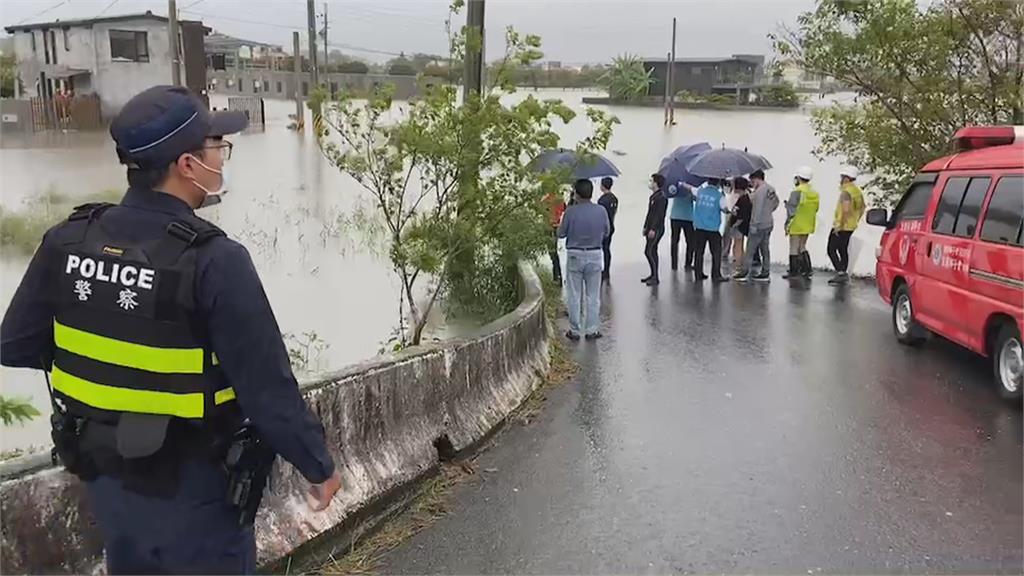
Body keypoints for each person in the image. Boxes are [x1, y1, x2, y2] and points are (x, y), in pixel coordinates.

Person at [0, 86, 342, 574]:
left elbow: (15, 345)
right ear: (187, 165)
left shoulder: (69, 240)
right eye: (216, 149)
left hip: (107, 481)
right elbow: (267, 388)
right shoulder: (214, 260)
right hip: (195, 492)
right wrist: (318, 466)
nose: (221, 160)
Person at [557, 179, 610, 340]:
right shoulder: (601, 210)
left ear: (576, 194)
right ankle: (592, 330)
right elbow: (607, 231)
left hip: (575, 254)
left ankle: (574, 330)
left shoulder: (571, 212)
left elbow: (561, 233)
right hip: (594, 254)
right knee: (593, 295)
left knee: (574, 294)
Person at [736, 169, 779, 282]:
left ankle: (744, 272)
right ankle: (765, 272)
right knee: (765, 249)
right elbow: (776, 203)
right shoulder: (771, 189)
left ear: (756, 179)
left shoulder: (760, 191)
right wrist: (768, 210)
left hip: (759, 224)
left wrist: (754, 224)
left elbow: (757, 209)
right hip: (768, 222)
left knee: (750, 249)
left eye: (752, 180)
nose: (752, 183)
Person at [827, 167, 865, 285]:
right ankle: (843, 272)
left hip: (842, 226)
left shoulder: (846, 192)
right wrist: (856, 219)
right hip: (851, 226)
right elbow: (863, 207)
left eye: (842, 177)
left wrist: (839, 225)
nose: (841, 180)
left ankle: (840, 272)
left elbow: (846, 210)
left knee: (831, 249)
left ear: (847, 178)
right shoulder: (857, 191)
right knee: (843, 248)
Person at [784, 166, 820, 279]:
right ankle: (807, 268)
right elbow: (816, 208)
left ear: (798, 178)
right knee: (802, 246)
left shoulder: (797, 191)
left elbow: (792, 209)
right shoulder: (814, 192)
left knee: (793, 247)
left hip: (796, 223)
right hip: (808, 223)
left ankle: (794, 271)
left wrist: (787, 224)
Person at [692, 178, 730, 282]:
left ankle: (698, 274)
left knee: (699, 252)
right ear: (718, 183)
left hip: (699, 227)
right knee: (716, 253)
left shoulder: (700, 192)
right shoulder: (719, 196)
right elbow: (725, 209)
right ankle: (716, 275)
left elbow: (692, 194)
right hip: (713, 228)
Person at [663, 177, 696, 271]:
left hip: (676, 216)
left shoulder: (674, 185)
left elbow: (668, 193)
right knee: (690, 242)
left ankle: (674, 264)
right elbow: (696, 198)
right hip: (687, 217)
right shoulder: (690, 188)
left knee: (675, 241)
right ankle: (688, 263)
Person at [641, 173, 669, 286]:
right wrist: (645, 226)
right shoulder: (653, 197)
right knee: (652, 251)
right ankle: (653, 274)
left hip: (657, 229)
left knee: (649, 251)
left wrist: (652, 228)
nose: (650, 183)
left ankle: (655, 277)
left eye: (652, 181)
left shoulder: (662, 198)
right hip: (650, 227)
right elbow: (650, 214)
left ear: (656, 183)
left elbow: (659, 215)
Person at [728, 177, 752, 279]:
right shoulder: (746, 198)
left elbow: (742, 216)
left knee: (738, 246)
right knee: (738, 246)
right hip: (741, 226)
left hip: (739, 227)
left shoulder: (744, 199)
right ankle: (739, 265)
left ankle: (738, 267)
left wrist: (734, 224)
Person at [544, 187, 567, 285]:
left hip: (550, 228)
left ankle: (557, 277)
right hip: (555, 227)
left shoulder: (548, 199)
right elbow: (564, 209)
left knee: (552, 252)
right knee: (553, 252)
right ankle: (557, 276)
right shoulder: (560, 199)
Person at [597, 176, 618, 281]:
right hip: (611, 226)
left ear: (602, 186)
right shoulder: (614, 198)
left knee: (601, 249)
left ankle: (602, 270)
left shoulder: (602, 200)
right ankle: (607, 270)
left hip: (603, 228)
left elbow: (600, 216)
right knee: (607, 249)